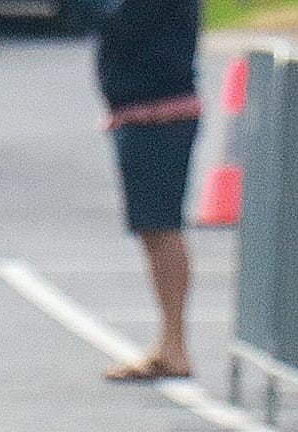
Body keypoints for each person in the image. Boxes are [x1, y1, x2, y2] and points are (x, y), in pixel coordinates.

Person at [93, 0, 203, 383]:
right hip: (145, 108)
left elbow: (121, 20)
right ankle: (170, 343)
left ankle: (174, 345)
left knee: (160, 225)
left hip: (158, 111)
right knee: (153, 228)